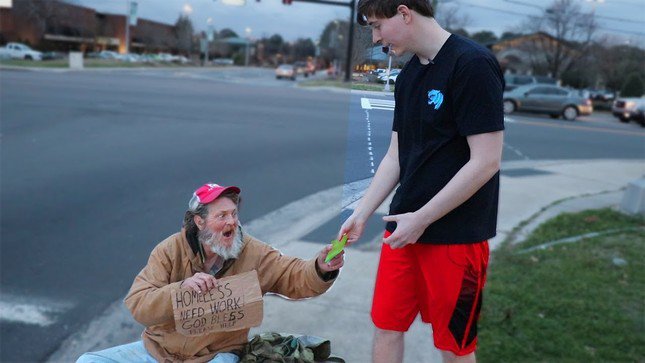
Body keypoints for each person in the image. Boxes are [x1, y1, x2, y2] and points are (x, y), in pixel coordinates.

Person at [339, 1, 505, 363]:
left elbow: (487, 160)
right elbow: (396, 156)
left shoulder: (472, 65)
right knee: (386, 326)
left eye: (379, 25)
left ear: (405, 12)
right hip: (402, 230)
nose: (377, 37)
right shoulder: (410, 75)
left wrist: (424, 218)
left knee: (454, 345)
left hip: (456, 237)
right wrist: (362, 212)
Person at [78, 182, 344, 363]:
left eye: (234, 214)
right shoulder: (170, 250)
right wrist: (179, 291)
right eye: (222, 216)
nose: (231, 222)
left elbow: (295, 277)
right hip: (160, 352)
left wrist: (320, 268)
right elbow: (138, 304)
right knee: (87, 360)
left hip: (216, 355)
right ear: (199, 221)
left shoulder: (255, 253)